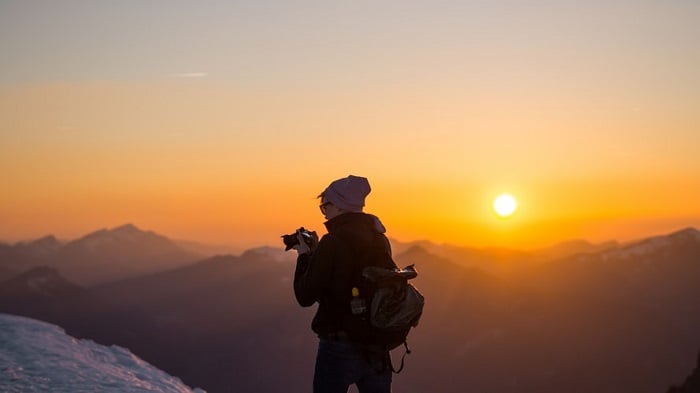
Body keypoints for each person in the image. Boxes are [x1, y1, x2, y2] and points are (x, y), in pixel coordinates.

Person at [292, 175, 397, 393]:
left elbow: (305, 296)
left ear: (340, 206)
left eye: (325, 205)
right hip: (376, 345)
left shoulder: (333, 242)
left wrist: (304, 256)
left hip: (339, 346)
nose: (324, 211)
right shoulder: (380, 239)